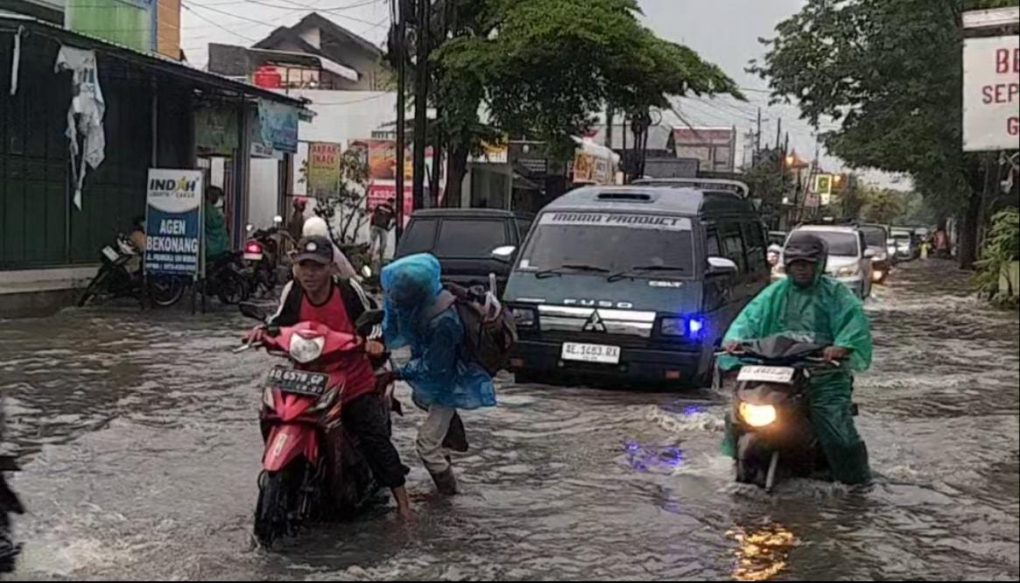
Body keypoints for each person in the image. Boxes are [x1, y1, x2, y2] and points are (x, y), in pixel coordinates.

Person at [266, 235, 413, 521]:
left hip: (351, 384)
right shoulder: (293, 292)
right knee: (274, 416)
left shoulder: (348, 291)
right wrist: (261, 333)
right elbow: (278, 323)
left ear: (332, 268)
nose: (309, 273)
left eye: (317, 267)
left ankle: (404, 507)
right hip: (306, 383)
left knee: (374, 438)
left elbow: (374, 322)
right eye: (304, 265)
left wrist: (373, 342)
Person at [720, 234, 873, 486]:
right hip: (776, 373)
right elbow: (748, 321)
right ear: (787, 265)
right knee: (736, 413)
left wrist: (841, 347)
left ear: (819, 265)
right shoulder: (773, 294)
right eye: (796, 264)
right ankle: (730, 461)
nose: (801, 269)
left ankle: (857, 484)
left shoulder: (837, 296)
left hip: (823, 376)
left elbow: (853, 327)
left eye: (808, 264)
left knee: (839, 437)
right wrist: (734, 342)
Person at [380, 254, 497, 495]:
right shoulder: (414, 304)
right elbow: (390, 329)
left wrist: (396, 375)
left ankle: (448, 498)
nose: (395, 300)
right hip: (435, 381)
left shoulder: (444, 321)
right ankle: (447, 453)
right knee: (438, 437)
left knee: (426, 445)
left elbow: (435, 369)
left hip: (450, 383)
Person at [204, 186, 231, 262]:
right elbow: (213, 223)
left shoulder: (211, 208)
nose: (217, 199)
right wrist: (224, 218)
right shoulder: (208, 208)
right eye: (216, 196)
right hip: (215, 247)